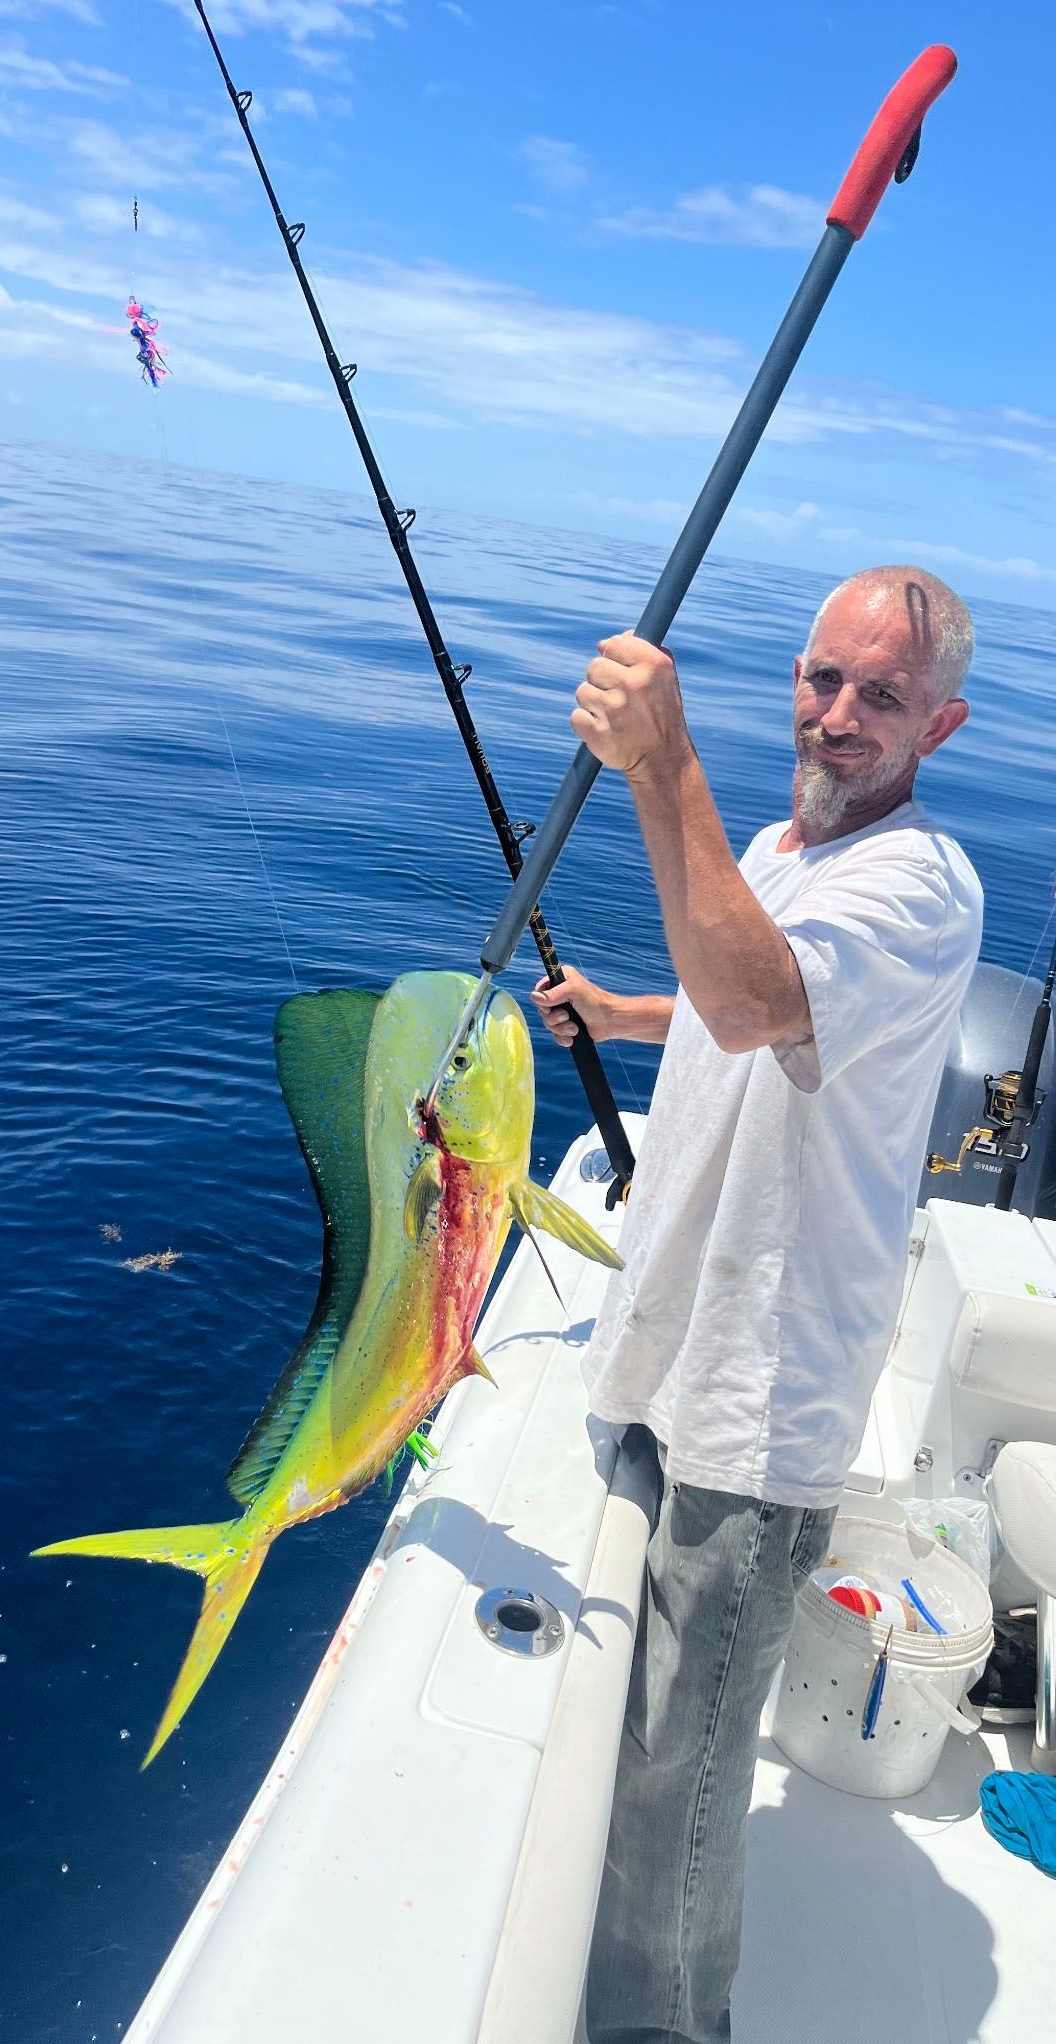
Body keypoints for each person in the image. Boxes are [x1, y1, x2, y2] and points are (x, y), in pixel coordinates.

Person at [531, 566, 983, 2044]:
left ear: (942, 725)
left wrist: (663, 763)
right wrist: (617, 1013)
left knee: (676, 1797)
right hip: (668, 1355)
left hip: (755, 1404)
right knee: (641, 1755)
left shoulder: (924, 881)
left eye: (883, 697)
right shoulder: (787, 850)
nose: (839, 716)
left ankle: (669, 2031)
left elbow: (757, 999)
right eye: (819, 679)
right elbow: (720, 980)